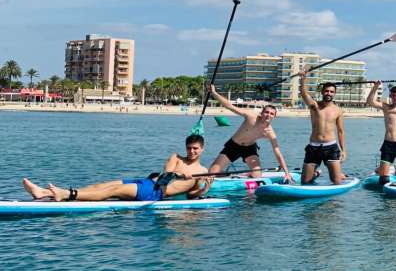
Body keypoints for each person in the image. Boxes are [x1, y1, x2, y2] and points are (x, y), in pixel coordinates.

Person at [22, 135, 212, 201]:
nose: (192, 151)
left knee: (113, 190)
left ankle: (64, 194)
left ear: (202, 149)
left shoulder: (202, 171)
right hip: (148, 183)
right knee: (101, 186)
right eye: (189, 148)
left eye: (195, 149)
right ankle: (44, 193)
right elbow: (165, 175)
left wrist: (205, 188)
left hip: (156, 194)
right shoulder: (176, 157)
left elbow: (191, 195)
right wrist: (177, 174)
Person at [204, 83, 294, 184]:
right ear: (261, 113)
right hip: (233, 146)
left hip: (249, 149)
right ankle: (227, 175)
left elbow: (277, 152)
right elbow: (230, 106)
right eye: (266, 112)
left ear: (274, 116)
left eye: (271, 113)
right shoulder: (251, 116)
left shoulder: (270, 133)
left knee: (257, 176)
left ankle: (248, 175)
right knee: (211, 173)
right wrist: (214, 93)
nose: (268, 115)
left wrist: (286, 172)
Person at [298, 71, 348, 185]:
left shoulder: (338, 110)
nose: (328, 93)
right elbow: (304, 95)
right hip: (313, 147)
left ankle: (339, 175)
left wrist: (343, 150)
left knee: (336, 182)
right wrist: (303, 80)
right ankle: (316, 174)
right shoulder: (314, 106)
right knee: (305, 182)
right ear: (322, 92)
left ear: (334, 93)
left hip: (331, 147)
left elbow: (340, 131)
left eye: (331, 91)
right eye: (326, 91)